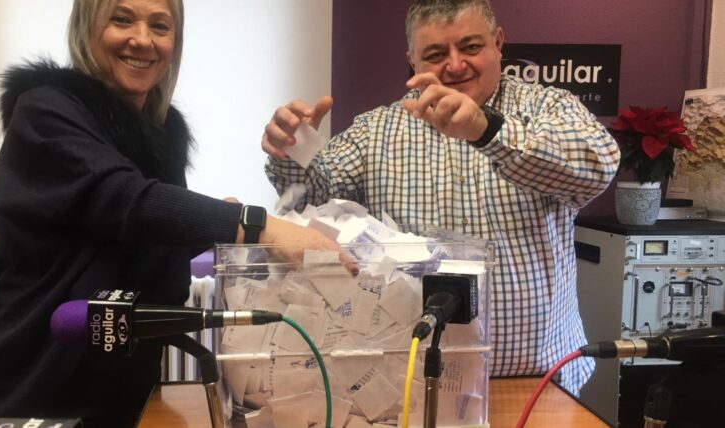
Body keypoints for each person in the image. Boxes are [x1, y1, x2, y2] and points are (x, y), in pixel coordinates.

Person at [0, 1, 348, 427]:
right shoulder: (45, 112)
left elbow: (137, 238)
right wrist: (257, 225)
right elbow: (124, 199)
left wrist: (209, 228)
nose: (142, 40)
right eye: (122, 19)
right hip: (42, 374)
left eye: (160, 26)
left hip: (126, 382)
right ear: (86, 27)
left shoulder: (161, 132)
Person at [262, 0, 620, 394]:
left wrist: (486, 130)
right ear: (412, 61)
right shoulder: (375, 131)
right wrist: (293, 153)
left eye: (471, 47)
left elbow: (598, 165)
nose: (455, 65)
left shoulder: (547, 108)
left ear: (498, 42)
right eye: (435, 55)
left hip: (539, 378)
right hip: (417, 383)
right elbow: (313, 200)